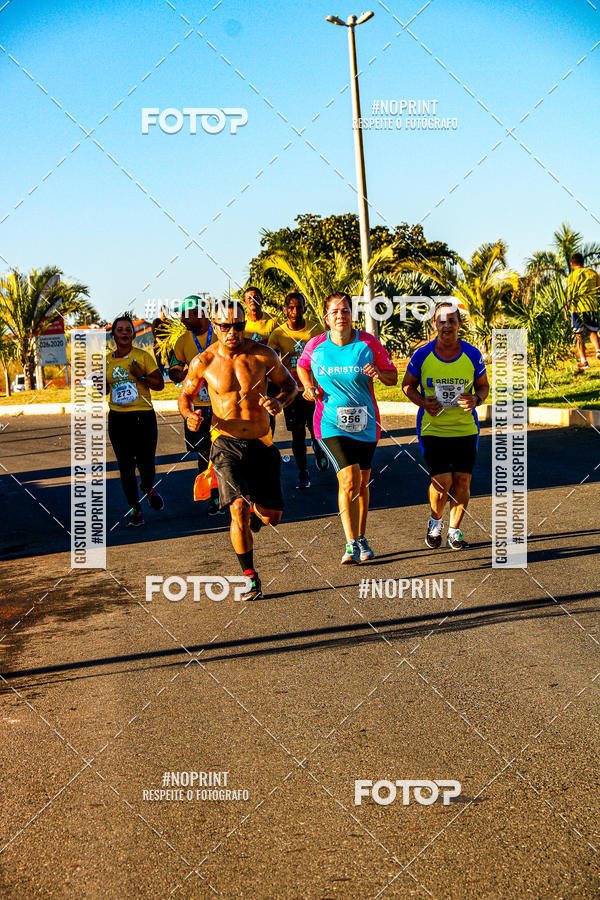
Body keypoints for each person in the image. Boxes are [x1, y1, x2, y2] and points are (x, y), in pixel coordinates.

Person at [178, 299, 297, 601]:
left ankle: (259, 512)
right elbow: (185, 396)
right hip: (224, 442)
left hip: (262, 442)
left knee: (272, 516)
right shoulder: (203, 361)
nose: (233, 331)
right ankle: (249, 577)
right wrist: (189, 415)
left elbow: (290, 385)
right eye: (226, 326)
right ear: (215, 326)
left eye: (239, 325)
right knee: (237, 509)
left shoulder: (263, 355)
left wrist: (280, 402)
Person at [297, 292, 398, 565]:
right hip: (329, 422)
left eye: (345, 311)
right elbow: (302, 366)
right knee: (349, 480)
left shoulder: (368, 344)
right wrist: (307, 386)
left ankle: (362, 536)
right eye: (334, 312)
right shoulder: (316, 345)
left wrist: (379, 373)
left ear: (352, 314)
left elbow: (392, 377)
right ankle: (351, 542)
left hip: (365, 423)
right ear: (326, 317)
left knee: (363, 482)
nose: (340, 316)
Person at [402, 302, 489, 551]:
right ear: (434, 325)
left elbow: (483, 386)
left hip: (465, 429)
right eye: (442, 321)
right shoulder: (422, 355)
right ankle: (435, 521)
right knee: (441, 483)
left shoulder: (472, 354)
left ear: (459, 325)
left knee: (462, 481)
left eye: (452, 321)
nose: (447, 326)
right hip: (433, 428)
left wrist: (477, 399)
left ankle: (455, 530)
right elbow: (407, 385)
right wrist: (422, 402)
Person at [106, 313, 165, 526]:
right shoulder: (106, 361)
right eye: (120, 329)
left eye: (128, 330)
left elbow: (159, 385)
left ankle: (147, 487)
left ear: (133, 334)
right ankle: (135, 509)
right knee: (125, 466)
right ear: (113, 334)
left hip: (143, 416)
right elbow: (104, 389)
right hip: (118, 419)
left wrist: (141, 376)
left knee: (146, 462)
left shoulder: (143, 356)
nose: (124, 333)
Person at [268, 291, 328, 488]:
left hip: (314, 388)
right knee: (298, 433)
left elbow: (326, 353)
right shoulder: (278, 334)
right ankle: (303, 472)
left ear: (305, 308)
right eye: (291, 308)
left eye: (299, 307)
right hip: (292, 390)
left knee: (316, 428)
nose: (295, 311)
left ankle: (319, 449)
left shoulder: (315, 329)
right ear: (285, 310)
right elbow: (271, 360)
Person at [168, 295, 221, 514]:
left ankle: (225, 494)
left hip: (221, 405)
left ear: (200, 313)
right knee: (203, 454)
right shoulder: (182, 341)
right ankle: (213, 497)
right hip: (197, 405)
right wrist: (178, 373)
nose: (182, 319)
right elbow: (173, 369)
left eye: (185, 314)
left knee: (223, 451)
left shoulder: (220, 333)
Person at [566, 253, 600, 371]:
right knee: (593, 331)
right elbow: (598, 289)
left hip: (577, 308)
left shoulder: (572, 276)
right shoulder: (593, 273)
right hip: (592, 306)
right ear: (583, 262)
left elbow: (569, 294)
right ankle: (598, 350)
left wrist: (567, 308)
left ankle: (584, 361)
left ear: (572, 264)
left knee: (579, 335)